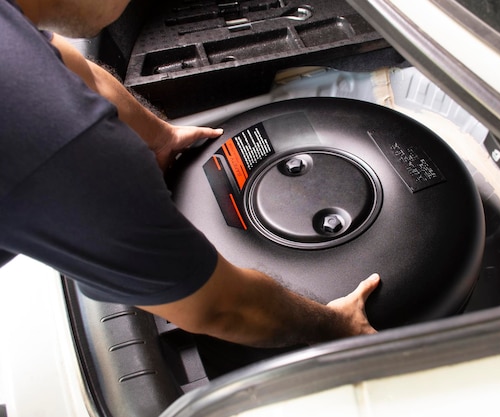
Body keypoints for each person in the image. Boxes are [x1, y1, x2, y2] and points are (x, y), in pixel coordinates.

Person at [0, 0, 380, 348]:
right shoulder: (68, 148)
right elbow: (223, 308)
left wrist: (161, 137)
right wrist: (336, 324)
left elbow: (76, 68)